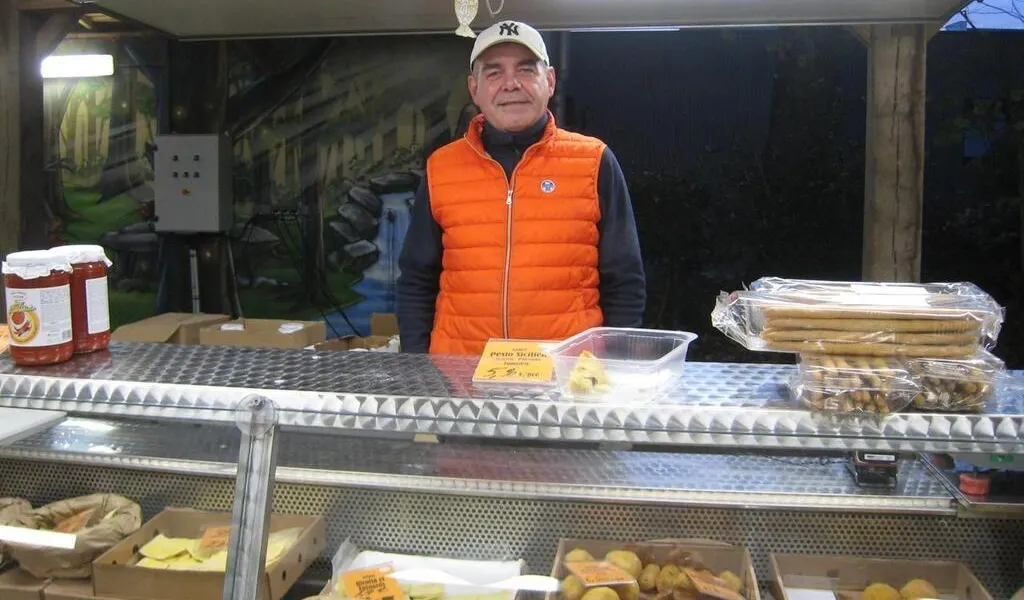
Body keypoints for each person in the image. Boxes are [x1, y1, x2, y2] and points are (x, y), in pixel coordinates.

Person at [397, 20, 646, 355]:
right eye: (494, 72)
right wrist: (419, 370)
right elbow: (416, 280)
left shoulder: (594, 161)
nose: (511, 84)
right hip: (460, 381)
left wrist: (614, 370)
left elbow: (624, 281)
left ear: (551, 81)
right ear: (474, 89)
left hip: (567, 381)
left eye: (526, 70)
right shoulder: (441, 167)